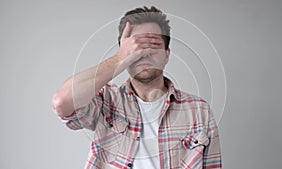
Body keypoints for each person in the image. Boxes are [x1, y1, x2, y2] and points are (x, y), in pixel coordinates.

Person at [52, 6, 222, 169]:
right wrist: (119, 59)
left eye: (152, 46)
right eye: (136, 47)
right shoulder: (107, 101)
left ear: (167, 55)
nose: (144, 53)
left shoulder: (199, 110)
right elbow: (63, 101)